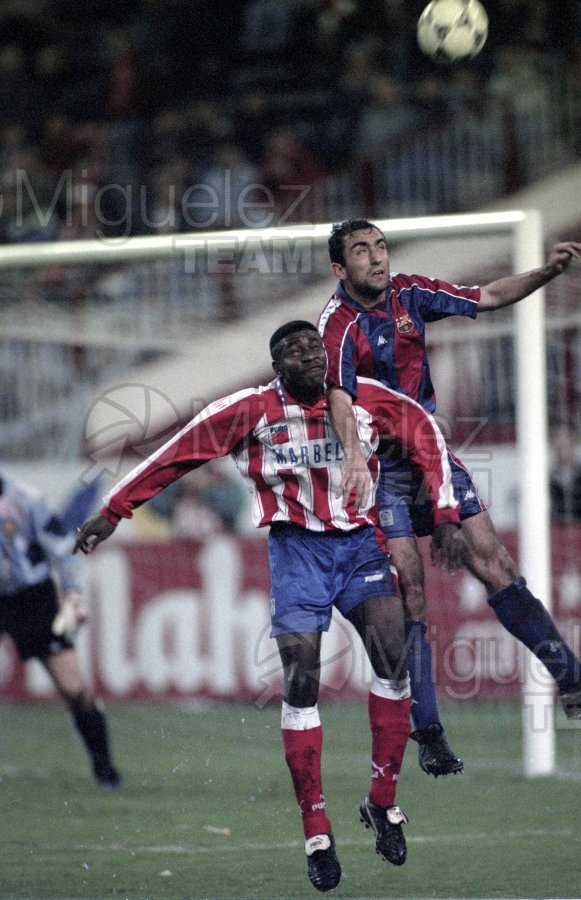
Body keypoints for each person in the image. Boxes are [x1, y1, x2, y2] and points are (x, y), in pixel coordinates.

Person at [74, 320, 466, 892]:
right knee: (301, 679)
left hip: (361, 545)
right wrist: (113, 510)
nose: (309, 354)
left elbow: (426, 434)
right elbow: (174, 454)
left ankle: (382, 802)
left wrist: (448, 512)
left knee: (392, 658)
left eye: (315, 345)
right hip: (297, 551)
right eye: (293, 349)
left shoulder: (362, 398)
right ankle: (317, 830)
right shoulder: (250, 409)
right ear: (276, 364)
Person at [318, 218, 581, 778]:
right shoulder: (336, 325)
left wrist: (547, 271)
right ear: (340, 268)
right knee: (409, 583)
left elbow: (487, 296)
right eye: (361, 250)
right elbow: (339, 396)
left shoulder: (411, 293)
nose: (376, 257)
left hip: (429, 451)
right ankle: (430, 730)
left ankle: (569, 677)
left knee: (495, 560)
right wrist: (354, 455)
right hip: (380, 469)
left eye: (380, 246)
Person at [0, 472, 122, 789]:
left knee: (74, 689)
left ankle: (105, 769)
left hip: (32, 598)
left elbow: (61, 546)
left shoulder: (24, 498)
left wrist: (72, 594)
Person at [549, 420, 581, 523]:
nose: (562, 446)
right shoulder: (546, 482)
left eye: (566, 441)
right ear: (552, 444)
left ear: (574, 442)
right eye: (558, 441)